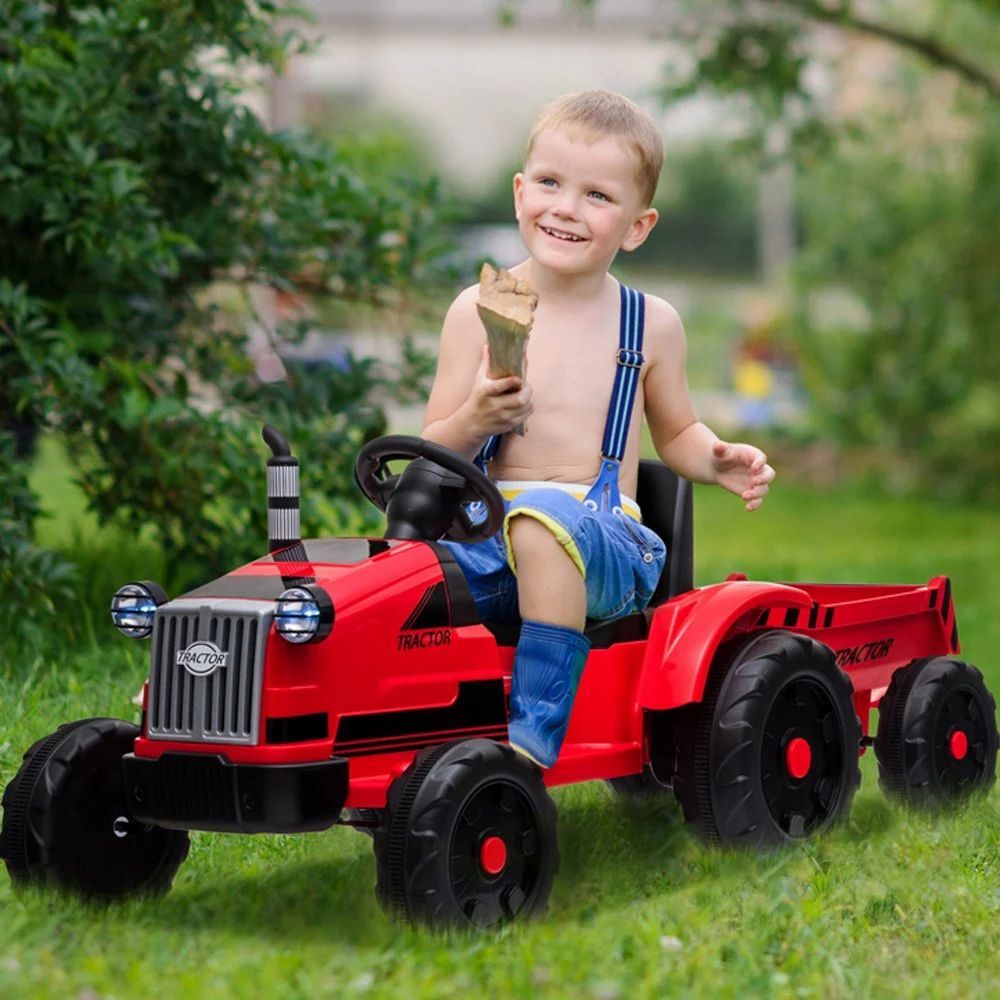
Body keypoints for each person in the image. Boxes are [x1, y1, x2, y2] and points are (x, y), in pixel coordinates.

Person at [421, 90, 775, 768]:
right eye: (550, 183)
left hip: (606, 540)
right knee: (400, 574)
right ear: (521, 192)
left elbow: (676, 433)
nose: (565, 208)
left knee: (543, 524)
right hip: (486, 532)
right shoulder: (480, 309)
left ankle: (533, 733)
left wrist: (716, 458)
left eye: (597, 196)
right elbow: (436, 448)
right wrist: (474, 419)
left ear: (637, 226)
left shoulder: (650, 324)